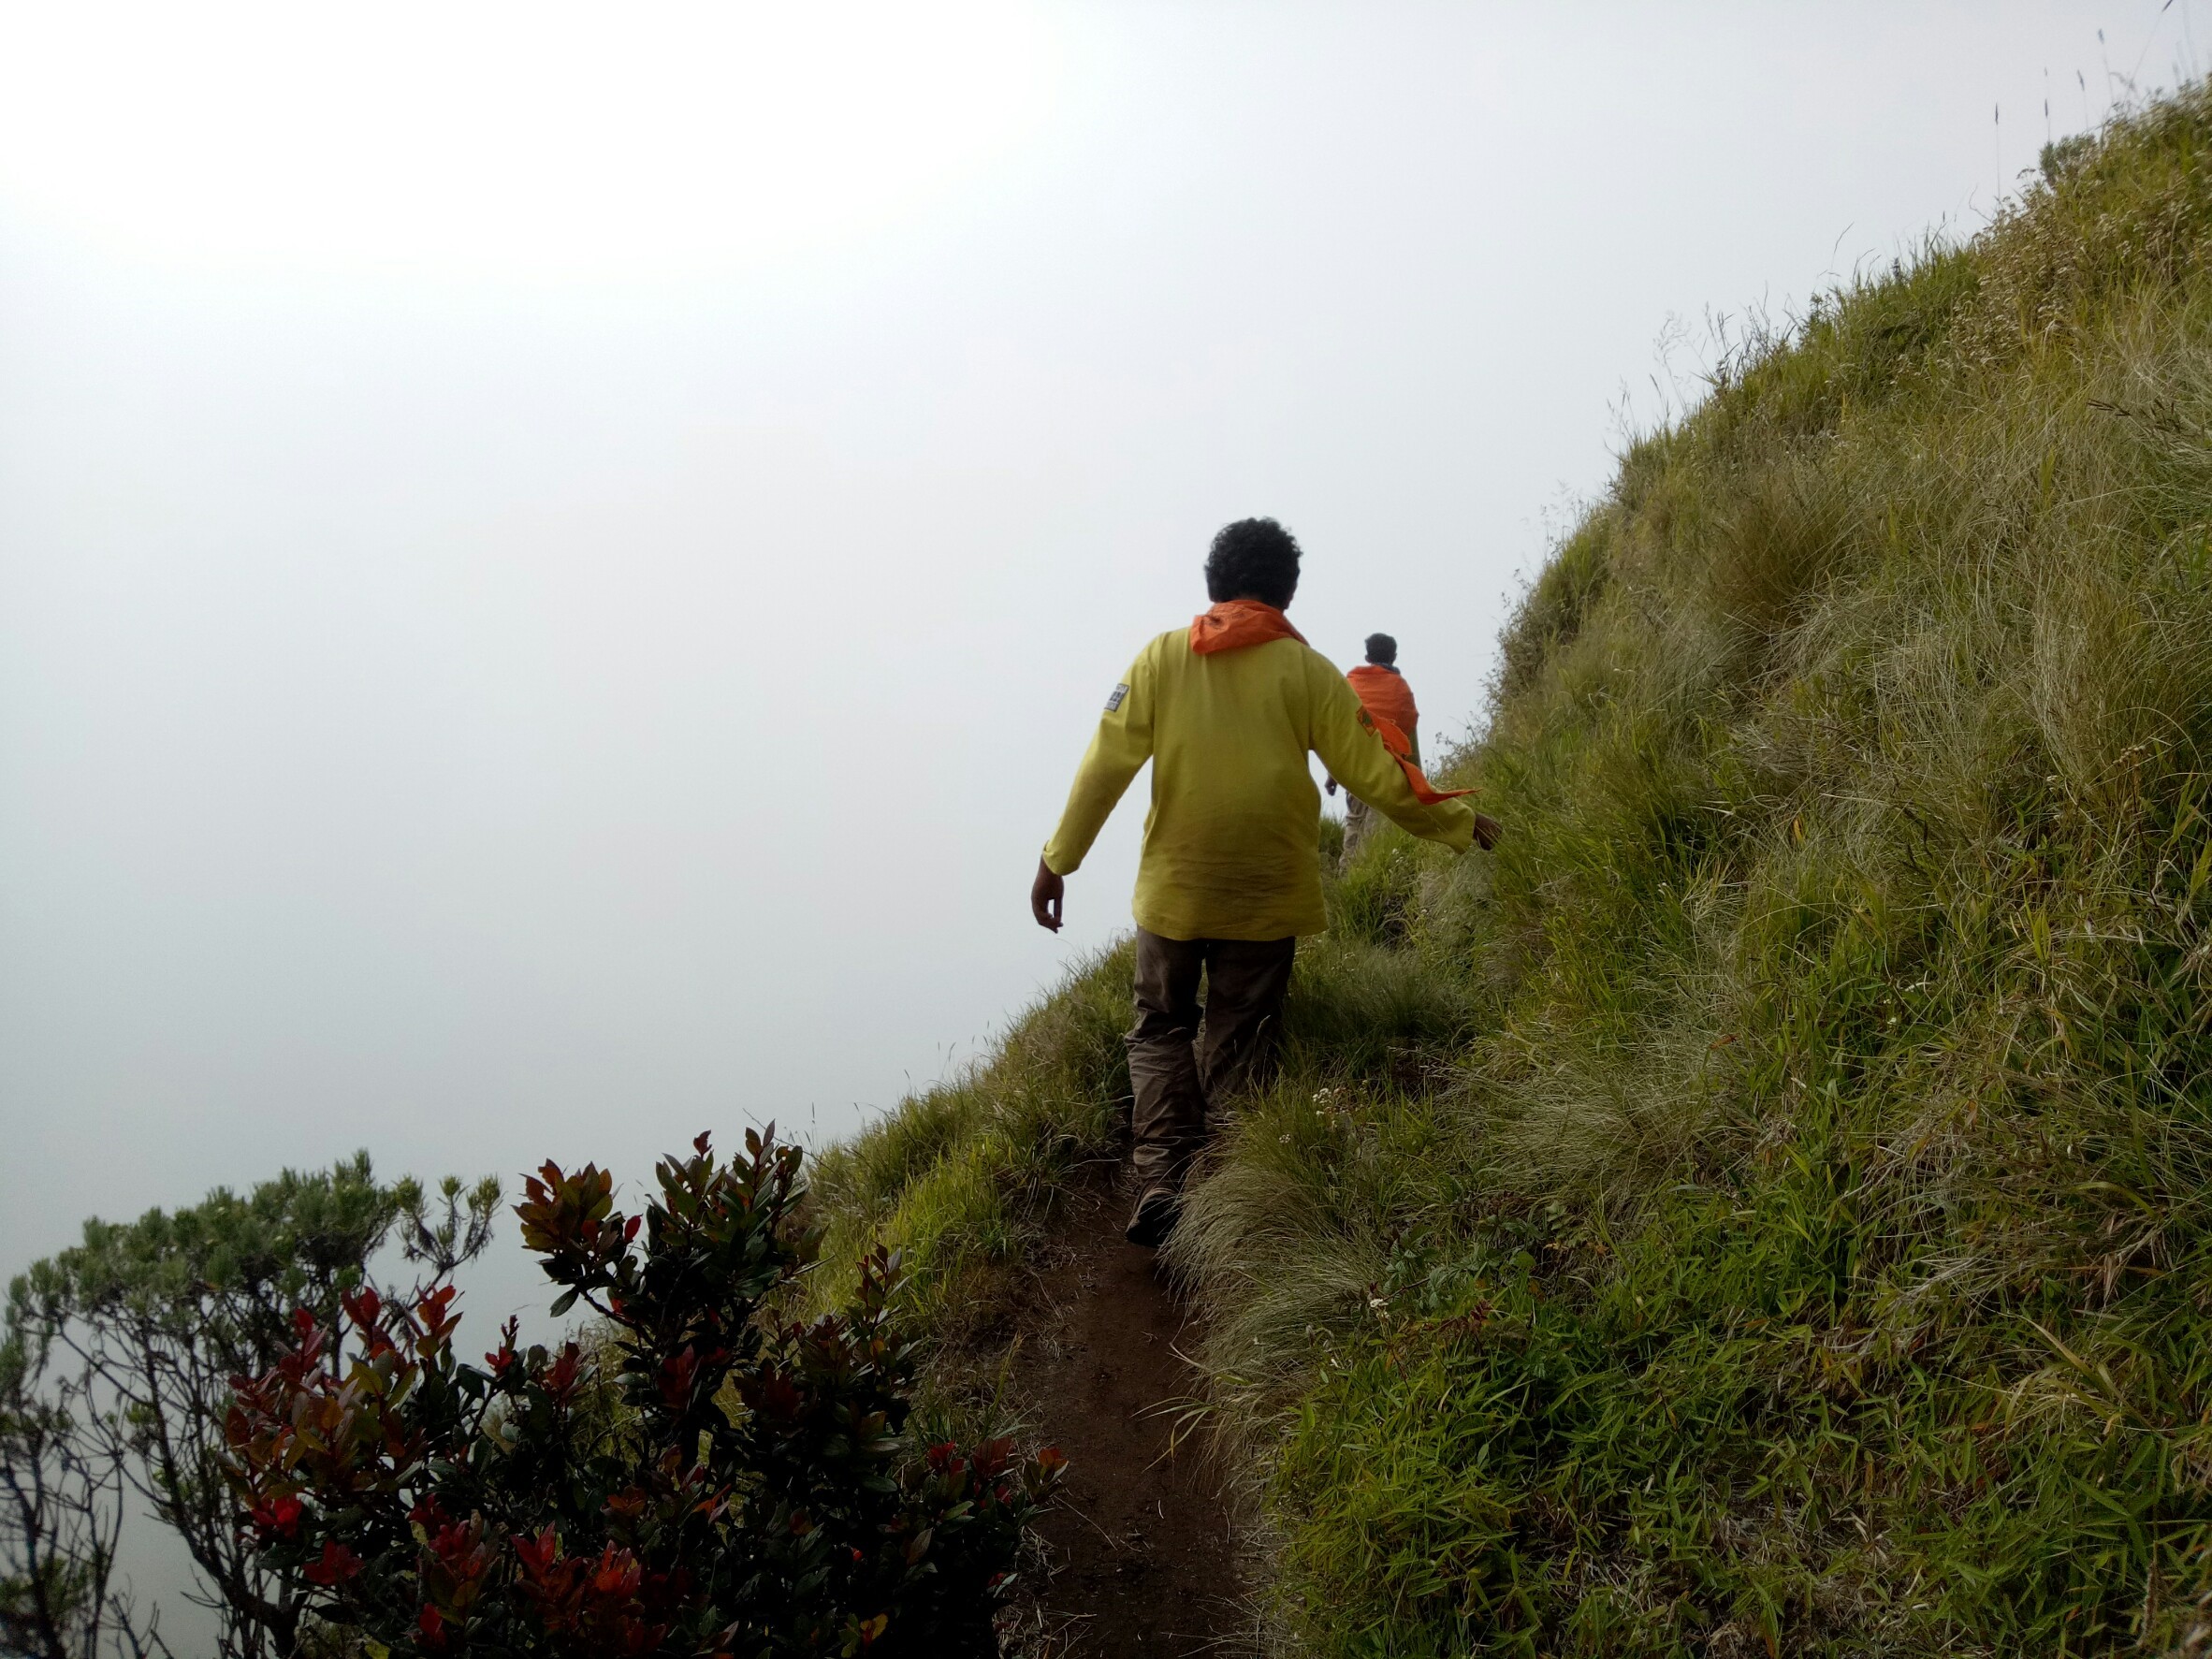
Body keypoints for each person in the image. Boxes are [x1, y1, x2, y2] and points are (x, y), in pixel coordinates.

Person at [1029, 518, 1501, 1247]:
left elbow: (1104, 766)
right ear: (1287, 592)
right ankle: (1232, 1191)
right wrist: (1458, 823)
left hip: (1174, 891)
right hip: (1266, 892)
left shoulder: (1161, 659)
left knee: (1160, 1026)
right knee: (1242, 1039)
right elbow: (1377, 771)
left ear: (1213, 582)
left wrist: (1058, 858)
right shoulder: (1308, 672)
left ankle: (1163, 1178)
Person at [1329, 632, 1421, 867]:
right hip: (1388, 771)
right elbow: (1408, 735)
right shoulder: (1400, 690)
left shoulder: (1352, 686)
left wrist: (1333, 774)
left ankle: (1347, 877)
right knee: (1376, 829)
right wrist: (1417, 780)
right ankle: (1365, 877)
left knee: (1355, 823)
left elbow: (1342, 732)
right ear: (1394, 656)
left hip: (1355, 768)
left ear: (1367, 656)